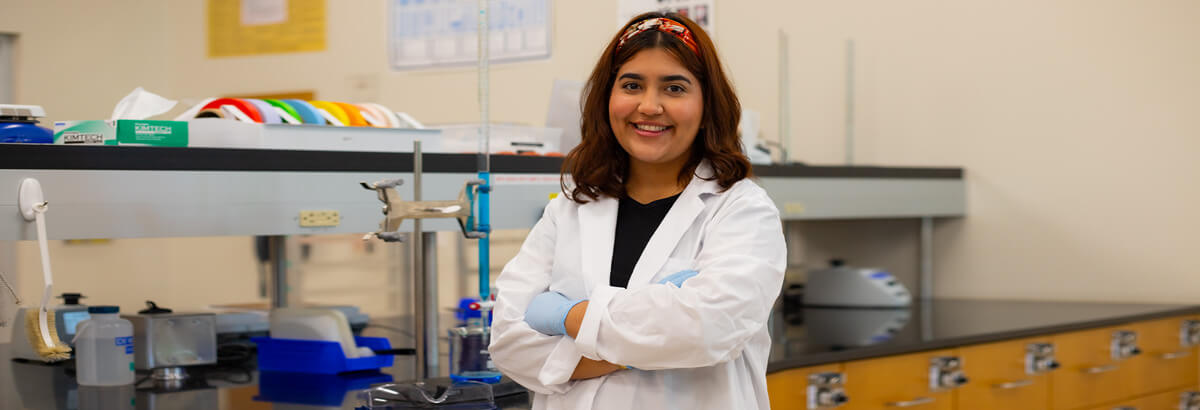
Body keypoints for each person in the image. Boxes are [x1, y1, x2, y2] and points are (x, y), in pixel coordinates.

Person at [488, 11, 786, 410]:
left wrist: (565, 317)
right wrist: (654, 333)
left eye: (674, 88)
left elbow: (706, 329)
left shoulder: (741, 210)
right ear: (608, 97)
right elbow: (509, 342)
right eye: (632, 85)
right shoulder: (573, 207)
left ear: (706, 105)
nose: (649, 106)